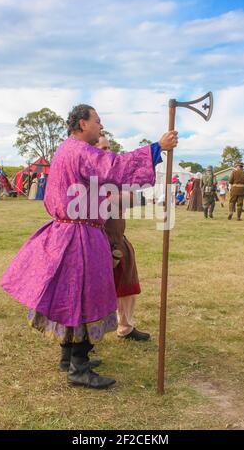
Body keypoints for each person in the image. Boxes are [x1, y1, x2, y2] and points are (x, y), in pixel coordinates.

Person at [0, 104, 178, 390]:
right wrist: (157, 148)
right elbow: (115, 166)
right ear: (82, 124)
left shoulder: (67, 150)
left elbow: (108, 178)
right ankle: (79, 368)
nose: (100, 126)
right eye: (97, 121)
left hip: (72, 232)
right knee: (84, 298)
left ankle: (68, 357)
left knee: (72, 297)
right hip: (79, 236)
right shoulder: (80, 151)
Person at [96, 135, 150, 342]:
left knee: (128, 283)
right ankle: (89, 338)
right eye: (102, 147)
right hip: (97, 241)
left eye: (109, 147)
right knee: (96, 291)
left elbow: (134, 199)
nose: (108, 152)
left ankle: (125, 327)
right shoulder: (88, 172)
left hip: (118, 238)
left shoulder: (115, 174)